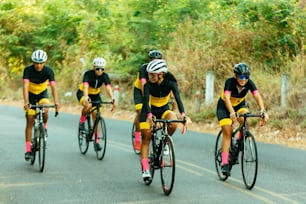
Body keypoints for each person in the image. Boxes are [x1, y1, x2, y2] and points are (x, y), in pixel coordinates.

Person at [216, 62, 269, 176]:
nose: (243, 80)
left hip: (240, 106)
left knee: (246, 120)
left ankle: (240, 139)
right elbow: (226, 97)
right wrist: (231, 112)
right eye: (241, 77)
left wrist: (263, 110)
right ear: (235, 76)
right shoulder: (230, 82)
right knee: (227, 132)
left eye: (246, 77)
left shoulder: (249, 83)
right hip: (225, 107)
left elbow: (257, 96)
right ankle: (224, 162)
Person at [139, 59, 187, 180]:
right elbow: (146, 101)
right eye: (149, 74)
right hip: (149, 110)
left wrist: (183, 114)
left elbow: (177, 98)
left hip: (163, 108)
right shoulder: (148, 85)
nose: (150, 77)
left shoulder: (170, 81)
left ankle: (165, 142)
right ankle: (145, 169)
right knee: (146, 137)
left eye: (153, 75)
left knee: (174, 122)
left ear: (161, 74)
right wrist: (149, 116)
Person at [23, 49, 59, 161]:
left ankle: (44, 127)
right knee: (29, 120)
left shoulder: (48, 71)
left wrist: (56, 102)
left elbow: (53, 87)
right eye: (36, 62)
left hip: (42, 94)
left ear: (45, 62)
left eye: (41, 63)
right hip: (31, 96)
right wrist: (26, 102)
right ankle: (28, 150)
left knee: (45, 109)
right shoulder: (28, 70)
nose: (38, 65)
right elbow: (25, 87)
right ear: (33, 62)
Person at [76, 57, 115, 150]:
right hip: (83, 92)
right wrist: (86, 97)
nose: (99, 71)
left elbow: (108, 88)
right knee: (88, 105)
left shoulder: (105, 76)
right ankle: (82, 121)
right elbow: (85, 86)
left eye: (102, 69)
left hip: (95, 95)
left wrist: (113, 98)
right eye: (97, 68)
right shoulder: (88, 74)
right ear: (94, 68)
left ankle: (96, 141)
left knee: (97, 115)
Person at [132, 50, 163, 151]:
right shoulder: (143, 68)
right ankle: (137, 137)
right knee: (141, 111)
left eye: (157, 60)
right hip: (140, 91)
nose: (155, 62)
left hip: (153, 92)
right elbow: (143, 85)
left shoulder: (162, 69)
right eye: (153, 60)